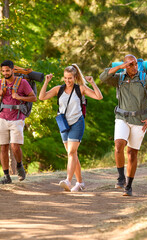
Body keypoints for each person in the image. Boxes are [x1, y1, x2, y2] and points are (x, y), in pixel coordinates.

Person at [99, 54, 147, 196]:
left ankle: (129, 186)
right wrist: (121, 68)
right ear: (125, 66)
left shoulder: (144, 79)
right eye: (130, 65)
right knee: (118, 145)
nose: (134, 67)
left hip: (140, 120)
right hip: (122, 117)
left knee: (132, 153)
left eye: (135, 64)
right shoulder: (120, 78)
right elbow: (103, 77)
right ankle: (121, 177)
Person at [39, 64, 103, 192]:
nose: (67, 81)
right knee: (72, 154)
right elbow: (42, 97)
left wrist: (92, 83)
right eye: (65, 78)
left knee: (71, 153)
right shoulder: (59, 89)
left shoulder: (81, 89)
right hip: (64, 124)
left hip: (77, 123)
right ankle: (80, 183)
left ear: (75, 77)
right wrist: (46, 82)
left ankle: (68, 181)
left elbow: (99, 96)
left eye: (70, 78)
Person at [0, 60, 37, 184]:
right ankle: (6, 176)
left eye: (8, 70)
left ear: (13, 70)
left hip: (17, 118)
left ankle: (19, 165)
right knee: (3, 147)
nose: (5, 73)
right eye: (3, 71)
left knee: (15, 147)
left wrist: (19, 97)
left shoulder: (22, 83)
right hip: (2, 117)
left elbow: (34, 97)